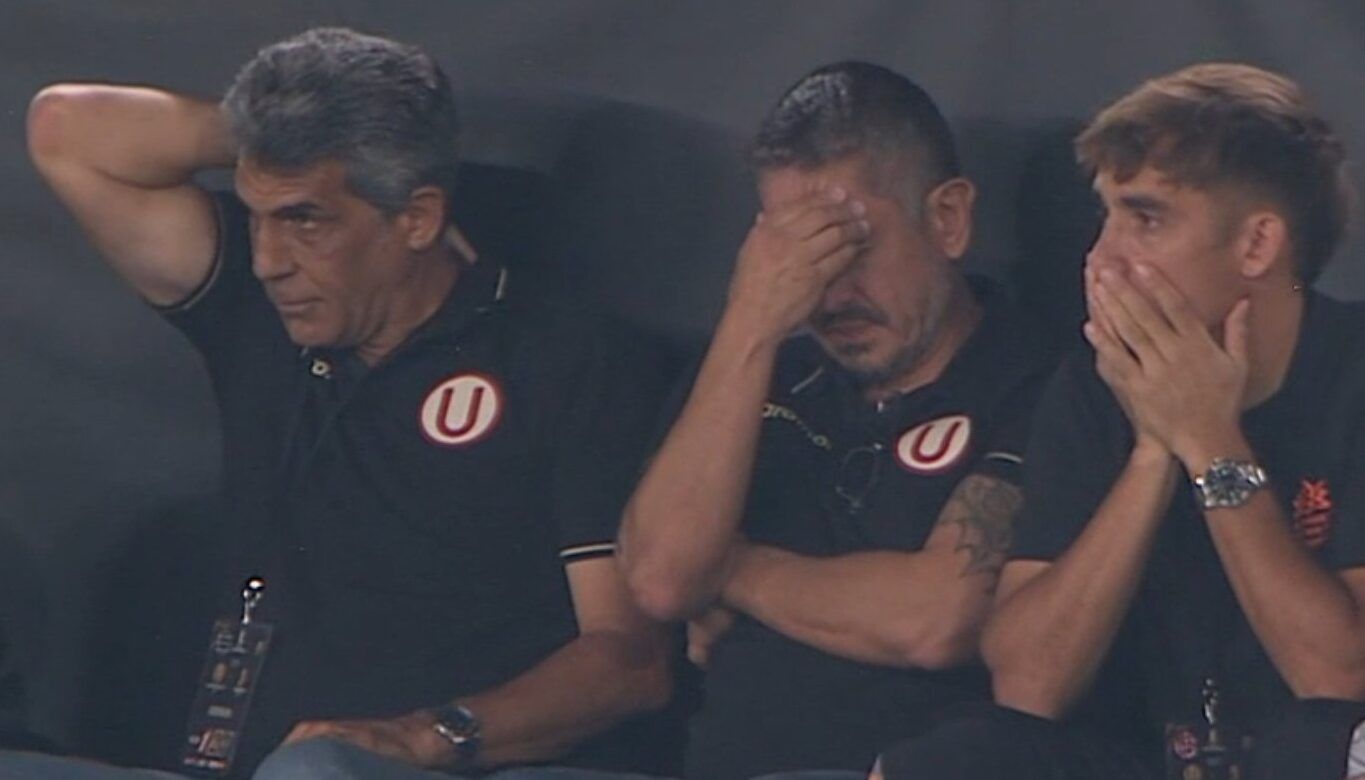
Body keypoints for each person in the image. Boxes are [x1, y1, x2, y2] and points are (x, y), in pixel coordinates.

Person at [15, 26, 675, 780]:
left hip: (446, 763)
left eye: (305, 219)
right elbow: (68, 131)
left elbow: (630, 659)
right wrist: (277, 130)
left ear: (416, 218)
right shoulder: (259, 311)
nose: (269, 261)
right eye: (256, 215)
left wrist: (431, 737)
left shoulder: (562, 357)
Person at [876, 62, 1365, 780]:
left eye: (1145, 219)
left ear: (1257, 245)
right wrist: (1152, 451)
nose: (1101, 258)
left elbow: (1339, 677)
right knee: (952, 758)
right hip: (1153, 759)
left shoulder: (1351, 375)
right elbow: (1028, 685)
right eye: (1105, 217)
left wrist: (1210, 443)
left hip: (1318, 757)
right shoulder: (1092, 386)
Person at [616, 61, 1056, 780]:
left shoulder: (1039, 381)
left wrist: (731, 569)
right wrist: (750, 325)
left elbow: (936, 619)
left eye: (850, 248)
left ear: (947, 219)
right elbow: (662, 580)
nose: (829, 294)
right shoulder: (746, 373)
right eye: (797, 260)